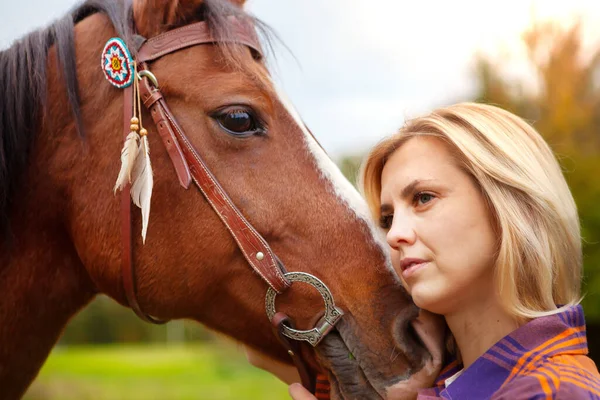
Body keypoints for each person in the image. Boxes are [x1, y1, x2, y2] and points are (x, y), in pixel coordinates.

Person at [252, 103, 600, 399]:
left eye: (423, 198)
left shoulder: (553, 390)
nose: (394, 235)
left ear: (510, 207)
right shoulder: (435, 381)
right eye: (387, 218)